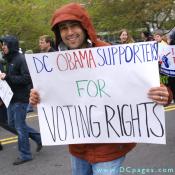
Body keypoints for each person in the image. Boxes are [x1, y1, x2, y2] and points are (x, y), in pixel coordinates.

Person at [30, 3, 173, 175]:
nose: (69, 32)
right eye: (63, 28)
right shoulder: (53, 65)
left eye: (74, 25)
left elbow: (148, 85)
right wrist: (38, 98)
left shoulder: (110, 54)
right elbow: (50, 103)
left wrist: (165, 94)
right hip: (78, 147)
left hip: (110, 149)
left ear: (84, 26)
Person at [0, 35, 42, 165]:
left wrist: (7, 77)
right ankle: (39, 138)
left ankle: (25, 154)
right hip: (11, 98)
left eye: (5, 45)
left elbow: (26, 79)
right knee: (13, 124)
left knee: (19, 127)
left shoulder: (20, 59)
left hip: (21, 99)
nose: (3, 47)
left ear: (11, 46)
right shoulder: (8, 59)